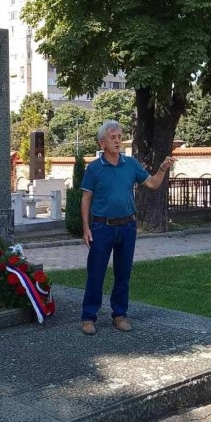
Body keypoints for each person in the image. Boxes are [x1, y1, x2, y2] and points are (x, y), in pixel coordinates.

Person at [80, 120, 175, 335]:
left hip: (127, 227)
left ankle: (120, 315)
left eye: (119, 137)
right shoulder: (94, 168)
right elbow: (86, 198)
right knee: (96, 273)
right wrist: (86, 227)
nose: (117, 141)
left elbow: (152, 183)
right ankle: (88, 318)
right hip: (101, 227)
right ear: (102, 142)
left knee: (123, 273)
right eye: (113, 138)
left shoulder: (130, 164)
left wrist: (161, 168)